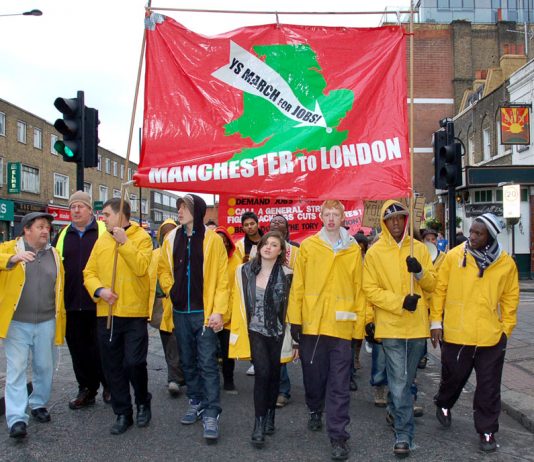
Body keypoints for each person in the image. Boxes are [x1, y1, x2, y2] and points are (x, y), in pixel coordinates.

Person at [431, 213, 519, 453]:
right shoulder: (453, 256)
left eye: (478, 233)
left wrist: (506, 328)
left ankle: (487, 431)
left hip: (491, 338)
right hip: (458, 335)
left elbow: (511, 298)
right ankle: (444, 402)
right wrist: (436, 323)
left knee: (489, 387)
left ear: (490, 235)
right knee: (453, 378)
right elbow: (440, 290)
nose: (472, 236)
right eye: (471, 231)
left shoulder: (506, 264)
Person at [288, 200, 364, 462]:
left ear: (343, 217)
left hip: (341, 327)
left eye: (336, 214)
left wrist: (359, 328)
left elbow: (359, 288)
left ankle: (339, 436)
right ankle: (314, 408)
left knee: (340, 385)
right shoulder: (309, 246)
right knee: (314, 378)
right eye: (327, 214)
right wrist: (295, 320)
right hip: (312, 324)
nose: (331, 219)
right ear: (320, 216)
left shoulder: (353, 249)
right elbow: (298, 285)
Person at [362, 200, 436, 458]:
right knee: (401, 380)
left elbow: (433, 285)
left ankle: (395, 410)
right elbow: (369, 289)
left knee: (404, 379)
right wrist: (399, 303)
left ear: (406, 221)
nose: (395, 223)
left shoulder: (420, 249)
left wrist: (420, 273)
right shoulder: (374, 253)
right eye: (390, 219)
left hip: (416, 329)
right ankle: (404, 434)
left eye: (400, 218)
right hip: (391, 326)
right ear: (383, 222)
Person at [158, 194, 229, 443]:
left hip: (205, 312)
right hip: (180, 312)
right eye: (178, 207)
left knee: (208, 362)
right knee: (186, 361)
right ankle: (196, 401)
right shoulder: (171, 238)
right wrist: (171, 289)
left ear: (196, 211)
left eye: (184, 207)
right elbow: (163, 269)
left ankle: (211, 411)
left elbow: (222, 279)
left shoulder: (212, 241)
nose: (179, 212)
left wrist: (219, 310)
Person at [83, 198, 153, 435]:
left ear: (121, 214)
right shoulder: (101, 239)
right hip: (108, 313)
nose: (102, 218)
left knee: (134, 362)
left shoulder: (141, 237)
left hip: (133, 313)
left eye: (106, 214)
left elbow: (143, 267)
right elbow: (89, 271)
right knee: (112, 366)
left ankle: (143, 400)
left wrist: (124, 243)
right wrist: (99, 290)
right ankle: (123, 413)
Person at [0, 212, 66, 439]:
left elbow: (59, 288)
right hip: (17, 323)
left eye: (47, 227)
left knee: (44, 367)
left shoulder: (54, 255)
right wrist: (12, 260)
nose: (45, 230)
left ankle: (38, 403)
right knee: (16, 370)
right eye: (40, 226)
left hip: (46, 321)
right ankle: (17, 418)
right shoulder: (10, 247)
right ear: (26, 230)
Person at [229, 231, 295, 448]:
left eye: (274, 245)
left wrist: (296, 339)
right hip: (254, 330)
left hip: (277, 332)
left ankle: (270, 416)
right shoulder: (244, 271)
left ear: (280, 251)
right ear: (259, 247)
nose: (268, 247)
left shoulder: (288, 274)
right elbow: (234, 297)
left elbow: (293, 307)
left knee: (274, 376)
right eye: (266, 243)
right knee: (262, 374)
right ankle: (258, 424)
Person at [53, 191, 110, 410]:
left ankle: (109, 386)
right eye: (72, 207)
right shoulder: (62, 235)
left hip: (98, 302)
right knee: (78, 350)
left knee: (102, 348)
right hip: (70, 303)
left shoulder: (104, 232)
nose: (75, 211)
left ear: (90, 210)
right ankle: (86, 389)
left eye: (80, 206)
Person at [148, 219, 184, 396]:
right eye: (165, 232)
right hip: (160, 305)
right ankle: (174, 378)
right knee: (169, 341)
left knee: (180, 341)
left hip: (179, 304)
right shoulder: (154, 254)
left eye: (172, 231)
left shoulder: (181, 252)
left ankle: (179, 375)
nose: (169, 235)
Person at [269, 214, 300, 408]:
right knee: (269, 350)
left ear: (287, 230)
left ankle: (283, 390)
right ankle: (272, 388)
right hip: (267, 307)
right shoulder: (262, 249)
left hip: (288, 306)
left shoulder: (296, 251)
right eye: (273, 223)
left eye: (280, 222)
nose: (276, 224)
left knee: (282, 349)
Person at [235, 211, 264, 376]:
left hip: (268, 288)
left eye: (252, 223)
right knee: (252, 326)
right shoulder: (240, 245)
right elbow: (237, 268)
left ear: (257, 223)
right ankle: (255, 361)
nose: (249, 227)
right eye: (246, 225)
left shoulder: (268, 240)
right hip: (249, 290)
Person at [215, 225, 242, 393]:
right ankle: (210, 382)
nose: (221, 244)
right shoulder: (206, 260)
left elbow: (236, 290)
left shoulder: (236, 262)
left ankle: (229, 380)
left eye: (224, 241)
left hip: (228, 316)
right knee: (208, 351)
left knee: (227, 351)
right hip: (210, 315)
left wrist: (229, 313)